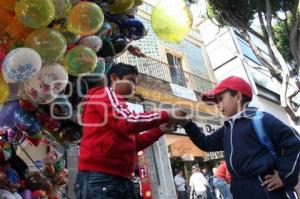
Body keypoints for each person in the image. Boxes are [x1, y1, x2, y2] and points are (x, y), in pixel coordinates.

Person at [74, 63, 186, 198]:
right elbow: (127, 122)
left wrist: (159, 130)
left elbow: (134, 143)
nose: (134, 87)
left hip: (117, 178)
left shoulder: (119, 106)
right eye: (130, 80)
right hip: (100, 177)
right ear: (114, 78)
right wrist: (167, 114)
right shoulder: (105, 93)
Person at [182, 76, 300, 199]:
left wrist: (284, 175)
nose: (218, 105)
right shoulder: (227, 128)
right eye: (216, 101)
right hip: (239, 190)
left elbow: (295, 143)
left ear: (238, 97)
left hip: (264, 189)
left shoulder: (260, 119)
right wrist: (187, 124)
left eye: (221, 99)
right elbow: (206, 143)